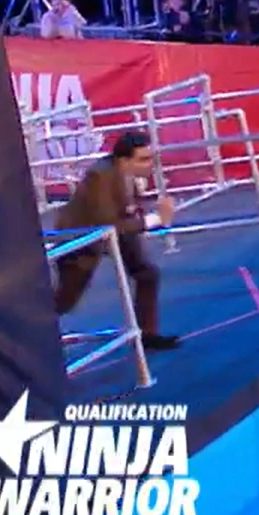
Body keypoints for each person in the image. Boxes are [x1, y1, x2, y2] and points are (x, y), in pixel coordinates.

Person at [54, 131, 180, 351]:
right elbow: (105, 223)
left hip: (117, 231)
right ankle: (27, 333)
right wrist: (156, 219)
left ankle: (147, 335)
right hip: (82, 237)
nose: (150, 164)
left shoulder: (130, 174)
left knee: (147, 273)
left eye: (151, 158)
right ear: (124, 160)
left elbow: (124, 211)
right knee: (65, 300)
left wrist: (147, 214)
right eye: (143, 159)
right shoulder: (99, 176)